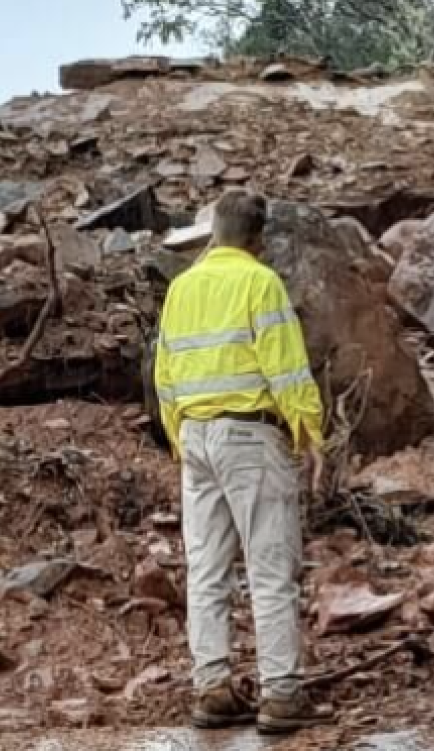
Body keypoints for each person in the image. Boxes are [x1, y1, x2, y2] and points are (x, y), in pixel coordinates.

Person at [153, 189, 331, 735]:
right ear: (258, 239)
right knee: (270, 566)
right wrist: (309, 433)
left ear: (213, 232)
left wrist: (179, 436)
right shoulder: (260, 281)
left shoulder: (181, 288)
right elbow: (285, 365)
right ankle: (280, 695)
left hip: (197, 438)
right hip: (250, 437)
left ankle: (212, 688)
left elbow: (164, 373)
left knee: (206, 568)